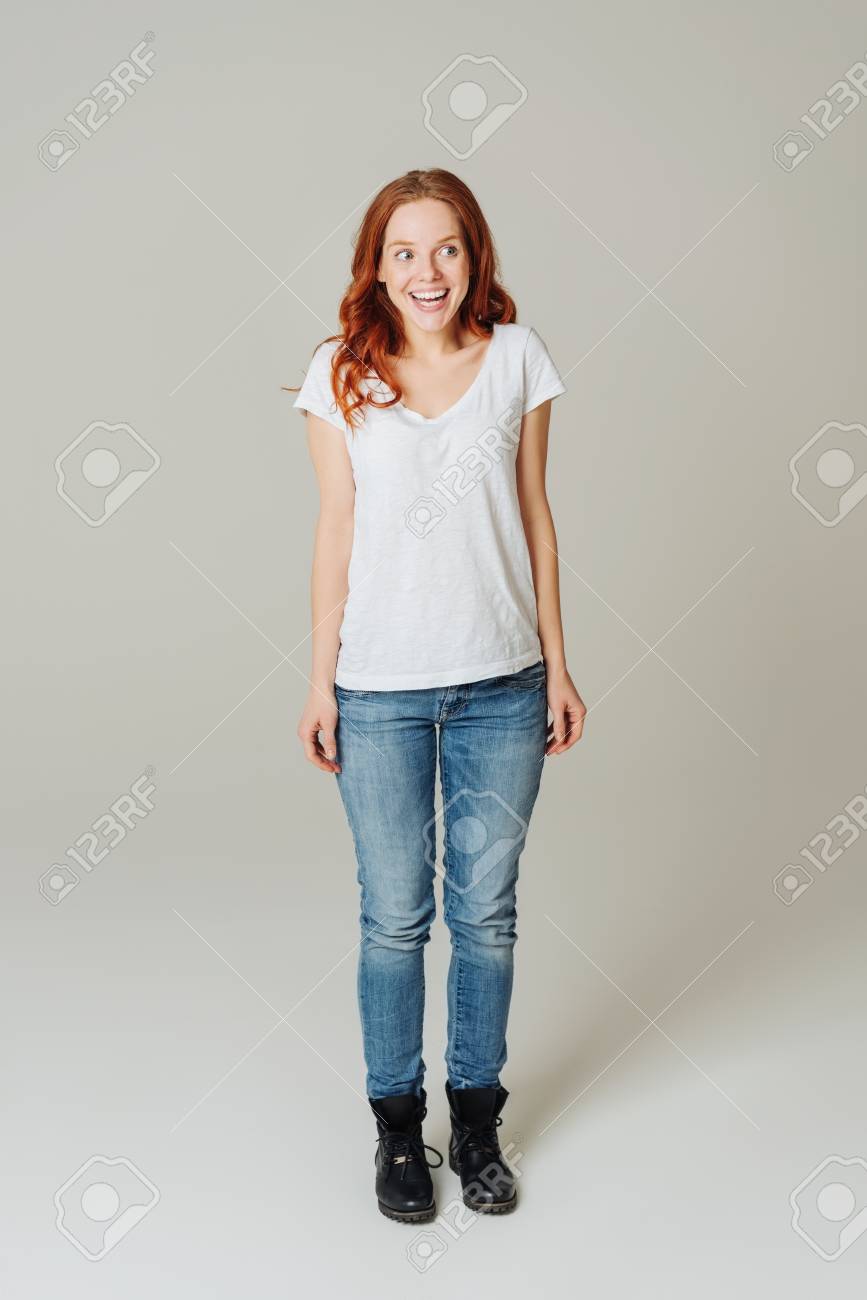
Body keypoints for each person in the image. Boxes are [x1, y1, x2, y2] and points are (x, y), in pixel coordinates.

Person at [288, 167, 585, 1223]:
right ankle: (397, 1132)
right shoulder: (339, 372)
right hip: (378, 690)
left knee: (487, 916)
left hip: (501, 684)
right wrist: (319, 680)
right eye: (405, 251)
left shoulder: (516, 358)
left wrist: (558, 662)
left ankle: (476, 1124)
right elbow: (334, 530)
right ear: (376, 266)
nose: (428, 271)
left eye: (447, 248)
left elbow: (535, 515)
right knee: (395, 918)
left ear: (475, 257)